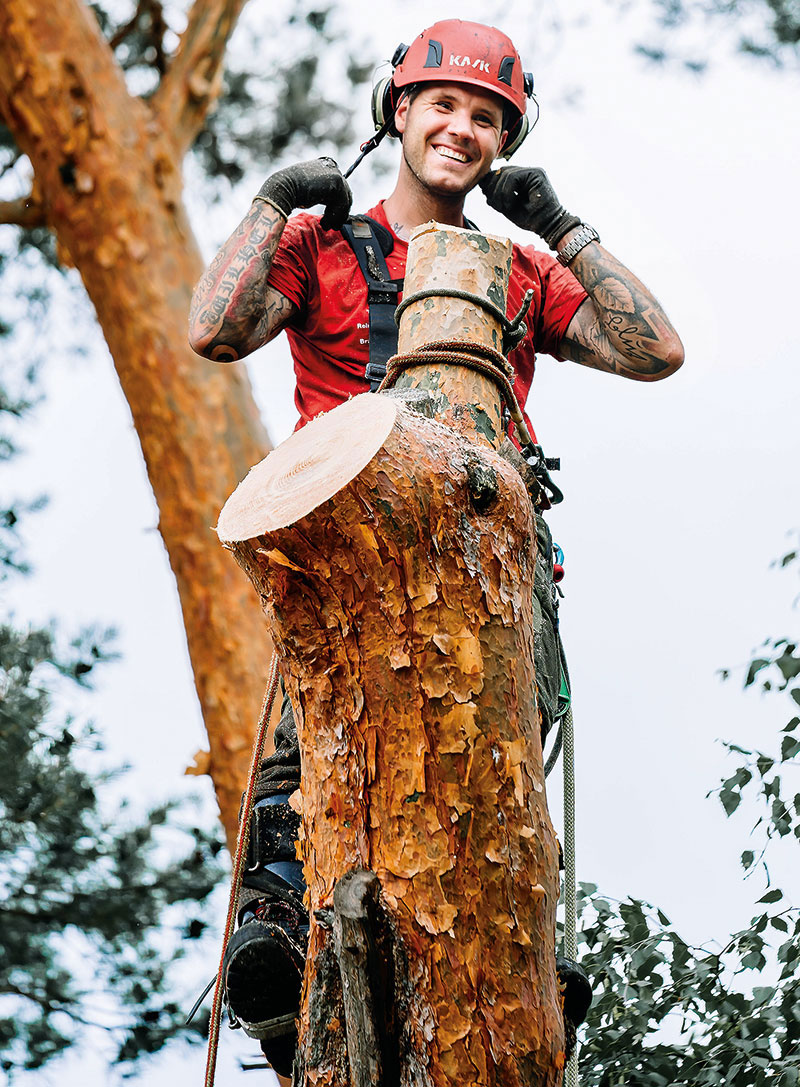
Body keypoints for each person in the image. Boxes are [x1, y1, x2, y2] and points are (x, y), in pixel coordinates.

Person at [189, 19, 683, 1080]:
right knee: (300, 781)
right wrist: (274, 200)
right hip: (341, 563)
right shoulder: (321, 250)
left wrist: (560, 224)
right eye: (444, 105)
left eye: (486, 117)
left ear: (504, 139)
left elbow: (655, 351)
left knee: (493, 778)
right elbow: (213, 330)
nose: (462, 128)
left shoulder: (514, 272)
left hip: (488, 559)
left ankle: (511, 967)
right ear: (398, 111)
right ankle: (284, 962)